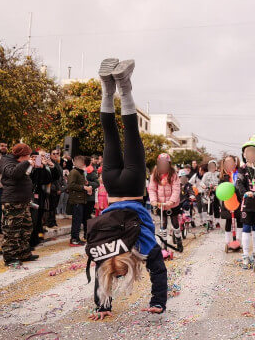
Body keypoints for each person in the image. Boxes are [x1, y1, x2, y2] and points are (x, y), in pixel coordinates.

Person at [86, 58, 167, 320]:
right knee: (109, 134)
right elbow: (100, 273)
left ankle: (124, 86)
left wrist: (158, 302)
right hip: (110, 185)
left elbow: (159, 270)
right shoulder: (102, 252)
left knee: (131, 132)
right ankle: (107, 89)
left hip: (132, 186)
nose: (118, 276)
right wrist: (101, 305)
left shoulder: (141, 247)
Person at [0, 143, 40, 265]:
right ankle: (10, 257)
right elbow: (14, 173)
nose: (29, 158)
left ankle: (23, 253)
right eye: (27, 156)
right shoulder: (6, 161)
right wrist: (27, 163)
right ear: (21, 156)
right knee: (11, 230)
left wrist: (32, 165)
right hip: (12, 201)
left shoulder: (19, 162)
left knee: (26, 228)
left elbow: (23, 174)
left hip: (23, 201)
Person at [148, 153, 181, 250]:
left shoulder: (173, 175)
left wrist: (171, 201)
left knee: (175, 223)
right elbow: (152, 189)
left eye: (165, 163)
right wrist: (153, 200)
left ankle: (178, 240)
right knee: (163, 224)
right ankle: (164, 245)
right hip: (160, 204)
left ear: (169, 164)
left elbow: (176, 189)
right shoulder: (155, 174)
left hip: (172, 204)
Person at [30, 150, 56, 247]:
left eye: (36, 158)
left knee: (38, 217)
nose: (34, 159)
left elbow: (49, 179)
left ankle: (36, 238)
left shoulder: (43, 167)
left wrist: (43, 167)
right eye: (33, 157)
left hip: (41, 196)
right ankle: (32, 240)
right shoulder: (27, 165)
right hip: (30, 195)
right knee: (33, 218)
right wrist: (32, 166)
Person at [67, 155, 91, 246]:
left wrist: (87, 187)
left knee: (78, 220)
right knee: (76, 220)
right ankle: (74, 239)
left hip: (81, 199)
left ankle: (76, 238)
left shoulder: (80, 172)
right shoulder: (74, 172)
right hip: (76, 200)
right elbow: (71, 185)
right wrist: (84, 187)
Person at [219, 155, 242, 242]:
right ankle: (227, 241)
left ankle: (239, 239)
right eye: (226, 163)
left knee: (240, 219)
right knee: (228, 221)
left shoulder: (239, 173)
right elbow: (221, 188)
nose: (229, 164)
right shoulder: (223, 176)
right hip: (228, 201)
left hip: (238, 200)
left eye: (230, 162)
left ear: (235, 163)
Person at [83, 156, 100, 237]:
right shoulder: (80, 170)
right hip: (81, 197)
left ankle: (87, 233)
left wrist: (88, 183)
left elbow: (97, 184)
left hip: (89, 198)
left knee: (87, 216)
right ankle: (88, 232)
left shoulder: (91, 171)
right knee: (83, 216)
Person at [201, 160, 221, 228]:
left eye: (213, 165)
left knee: (216, 206)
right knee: (209, 205)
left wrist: (217, 186)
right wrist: (203, 185)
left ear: (215, 166)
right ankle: (210, 220)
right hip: (208, 191)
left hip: (217, 191)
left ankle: (217, 221)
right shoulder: (206, 174)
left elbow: (221, 182)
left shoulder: (219, 174)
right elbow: (202, 182)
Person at [46, 149, 63, 228]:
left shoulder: (58, 163)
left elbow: (60, 177)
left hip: (57, 187)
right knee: (51, 206)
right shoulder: (50, 163)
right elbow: (54, 178)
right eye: (54, 153)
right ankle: (51, 222)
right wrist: (58, 188)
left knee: (54, 206)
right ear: (50, 155)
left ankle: (53, 221)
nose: (56, 155)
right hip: (52, 188)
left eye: (57, 153)